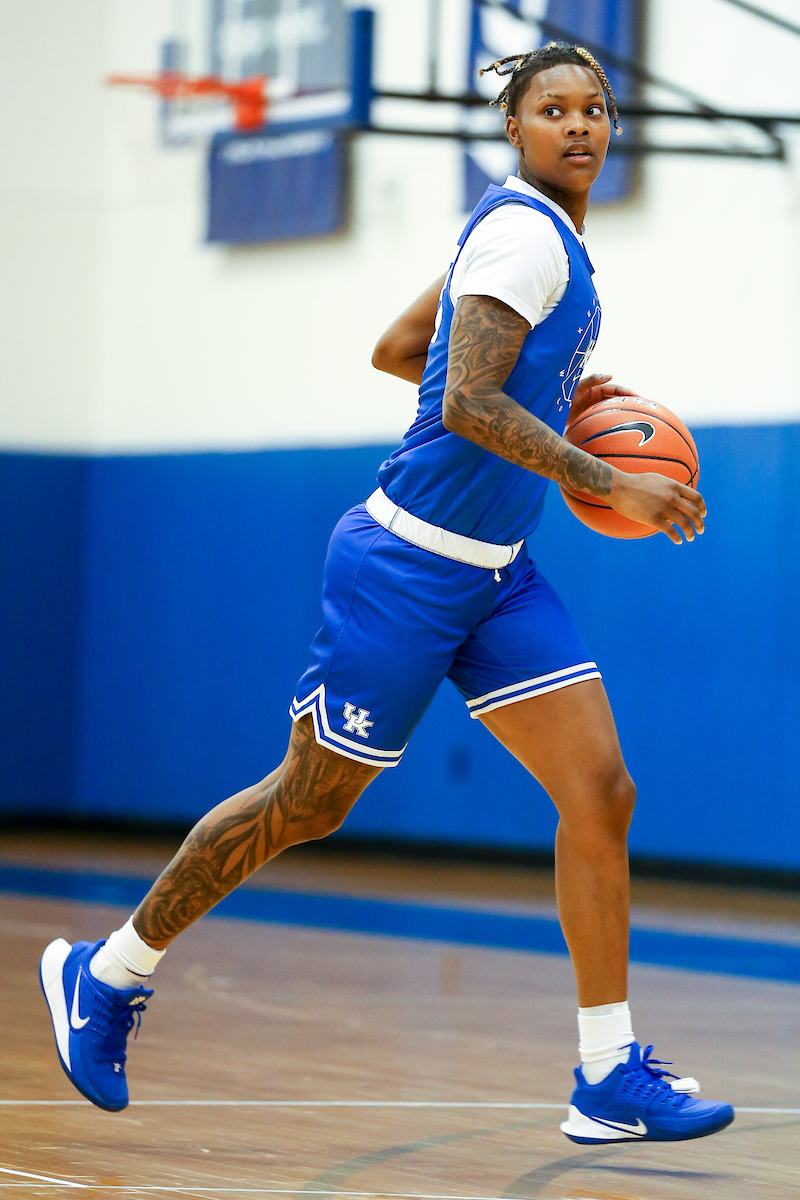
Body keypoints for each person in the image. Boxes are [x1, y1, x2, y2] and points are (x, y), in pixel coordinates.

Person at [40, 42, 733, 1145]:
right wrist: (599, 475)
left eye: (594, 107)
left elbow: (397, 347)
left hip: (495, 579)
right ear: (513, 129)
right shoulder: (517, 233)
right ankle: (108, 971)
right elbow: (461, 398)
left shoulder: (537, 239)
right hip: (406, 569)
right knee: (307, 805)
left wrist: (552, 394)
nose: (578, 124)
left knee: (598, 793)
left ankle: (605, 1074)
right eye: (551, 109)